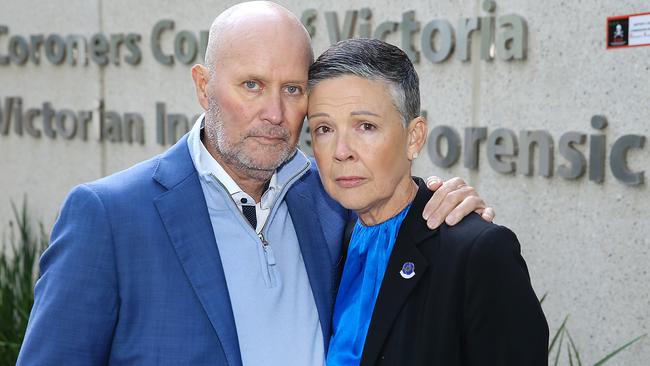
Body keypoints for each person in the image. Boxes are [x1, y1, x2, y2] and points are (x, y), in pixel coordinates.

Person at [17, 2, 494, 366]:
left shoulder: (329, 198)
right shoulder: (110, 217)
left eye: (292, 89)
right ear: (204, 87)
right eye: (252, 85)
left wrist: (446, 212)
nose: (275, 113)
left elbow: (398, 223)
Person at [307, 38, 548, 365]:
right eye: (323, 128)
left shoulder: (477, 253)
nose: (341, 150)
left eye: (366, 126)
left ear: (414, 137)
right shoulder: (332, 239)